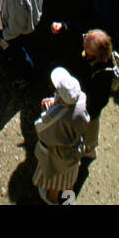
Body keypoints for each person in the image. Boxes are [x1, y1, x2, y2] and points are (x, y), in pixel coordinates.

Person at [50, 25, 118, 162]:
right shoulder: (88, 43)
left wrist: (83, 112)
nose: (83, 41)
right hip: (80, 91)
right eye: (85, 37)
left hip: (89, 106)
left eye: (86, 44)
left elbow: (99, 102)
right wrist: (63, 27)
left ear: (94, 54)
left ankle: (90, 150)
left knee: (91, 127)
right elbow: (76, 34)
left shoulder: (103, 74)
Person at [33, 67, 89, 206]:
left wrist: (48, 111)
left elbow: (41, 130)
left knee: (56, 186)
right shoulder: (81, 102)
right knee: (70, 182)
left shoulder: (56, 118)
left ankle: (52, 201)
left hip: (58, 158)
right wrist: (56, 104)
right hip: (75, 153)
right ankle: (68, 202)